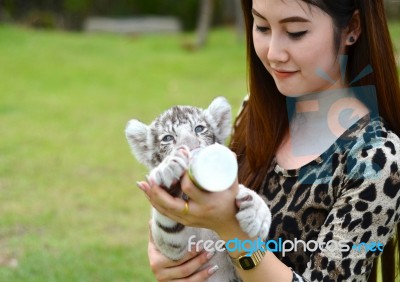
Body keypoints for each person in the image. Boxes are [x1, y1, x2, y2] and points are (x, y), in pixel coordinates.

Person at [136, 0, 400, 281]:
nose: (273, 53)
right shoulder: (257, 111)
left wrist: (233, 232)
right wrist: (168, 252)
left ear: (352, 28)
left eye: (296, 32)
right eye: (261, 26)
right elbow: (199, 213)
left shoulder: (378, 160)